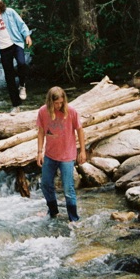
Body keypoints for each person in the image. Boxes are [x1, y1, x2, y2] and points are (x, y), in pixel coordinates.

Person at [36, 87, 86, 222]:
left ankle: (74, 219)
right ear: (50, 102)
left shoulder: (71, 111)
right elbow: (41, 132)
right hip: (50, 155)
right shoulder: (43, 112)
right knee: (46, 184)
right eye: (56, 103)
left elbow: (80, 130)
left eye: (61, 103)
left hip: (67, 156)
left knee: (68, 189)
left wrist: (82, 151)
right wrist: (39, 152)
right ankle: (53, 212)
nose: (59, 106)